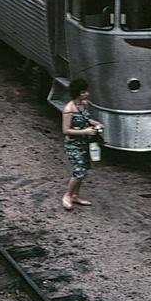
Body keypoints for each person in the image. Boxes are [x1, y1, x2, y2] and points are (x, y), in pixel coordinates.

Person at [61, 78, 102, 211]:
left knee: (83, 171)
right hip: (74, 145)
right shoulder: (69, 109)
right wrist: (85, 130)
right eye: (84, 92)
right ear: (77, 93)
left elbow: (85, 118)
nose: (87, 94)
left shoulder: (82, 104)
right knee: (78, 172)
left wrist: (94, 123)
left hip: (84, 143)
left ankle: (75, 195)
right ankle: (67, 195)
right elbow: (65, 130)